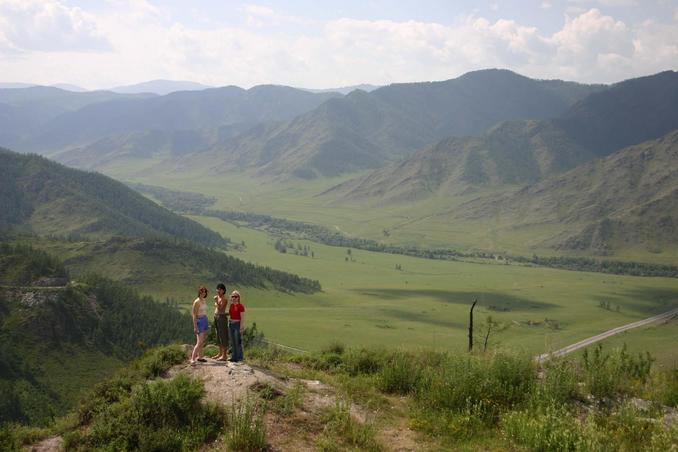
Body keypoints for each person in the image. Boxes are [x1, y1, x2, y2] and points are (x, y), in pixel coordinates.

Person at [190, 286, 209, 364]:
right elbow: (194, 315)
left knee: (202, 341)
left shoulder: (203, 300)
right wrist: (195, 326)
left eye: (204, 292)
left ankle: (200, 357)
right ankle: (192, 358)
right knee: (199, 341)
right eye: (202, 292)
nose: (203, 293)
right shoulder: (196, 302)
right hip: (199, 321)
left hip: (204, 319)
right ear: (199, 292)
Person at [211, 283, 229, 361]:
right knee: (218, 335)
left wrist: (216, 301)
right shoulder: (218, 297)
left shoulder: (224, 299)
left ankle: (224, 355)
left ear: (223, 291)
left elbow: (221, 308)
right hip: (216, 316)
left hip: (222, 317)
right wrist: (217, 302)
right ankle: (220, 353)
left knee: (223, 335)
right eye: (218, 289)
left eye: (220, 289)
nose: (218, 291)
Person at [228, 290, 246, 362]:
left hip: (237, 324)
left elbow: (242, 317)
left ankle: (239, 357)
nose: (234, 298)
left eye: (236, 296)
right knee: (232, 341)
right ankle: (234, 356)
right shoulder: (231, 305)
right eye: (233, 296)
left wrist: (241, 327)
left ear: (238, 297)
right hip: (231, 323)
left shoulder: (240, 306)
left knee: (238, 341)